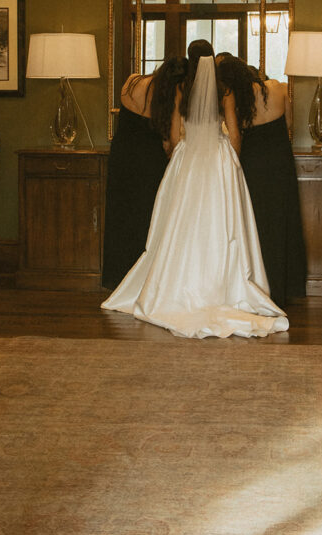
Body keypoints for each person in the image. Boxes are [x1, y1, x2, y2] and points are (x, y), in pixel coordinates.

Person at [101, 40, 288, 338]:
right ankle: (221, 284)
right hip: (218, 157)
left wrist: (178, 158)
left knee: (182, 223)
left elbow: (175, 135)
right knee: (219, 221)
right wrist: (232, 160)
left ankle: (177, 283)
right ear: (212, 59)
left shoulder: (180, 91)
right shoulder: (224, 90)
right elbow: (235, 134)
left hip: (187, 158)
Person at [217, 54, 307, 307]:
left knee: (256, 223)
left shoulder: (236, 98)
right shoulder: (278, 87)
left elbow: (235, 136)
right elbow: (289, 123)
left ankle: (259, 284)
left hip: (253, 164)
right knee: (283, 219)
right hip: (280, 162)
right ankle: (286, 285)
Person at [101, 55, 187, 291]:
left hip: (121, 155)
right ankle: (142, 280)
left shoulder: (131, 81)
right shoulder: (170, 94)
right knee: (146, 217)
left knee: (120, 215)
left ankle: (116, 277)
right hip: (149, 161)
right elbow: (175, 139)